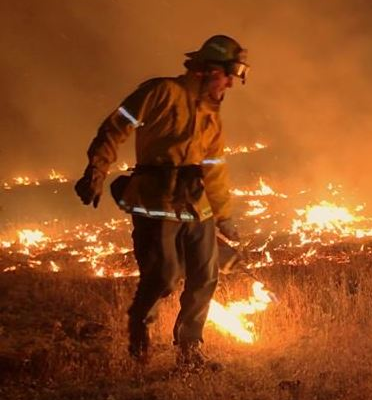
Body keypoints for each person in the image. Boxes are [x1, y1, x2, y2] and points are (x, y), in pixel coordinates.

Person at [73, 34, 248, 370]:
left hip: (198, 206)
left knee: (205, 276)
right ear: (210, 70)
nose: (230, 84)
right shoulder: (161, 92)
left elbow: (213, 167)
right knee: (164, 276)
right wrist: (96, 172)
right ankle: (140, 321)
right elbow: (116, 127)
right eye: (228, 75)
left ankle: (189, 351)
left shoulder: (211, 115)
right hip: (157, 202)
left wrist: (224, 216)